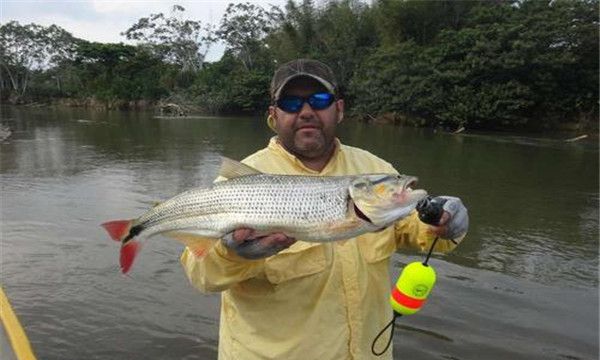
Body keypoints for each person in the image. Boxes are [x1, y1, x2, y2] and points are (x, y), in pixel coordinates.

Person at [180, 59, 469, 360]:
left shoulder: (375, 170)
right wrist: (232, 254)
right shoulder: (245, 179)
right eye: (291, 103)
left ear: (339, 109)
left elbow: (419, 228)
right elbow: (202, 276)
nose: (306, 111)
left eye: (319, 100)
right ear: (273, 116)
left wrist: (446, 222)